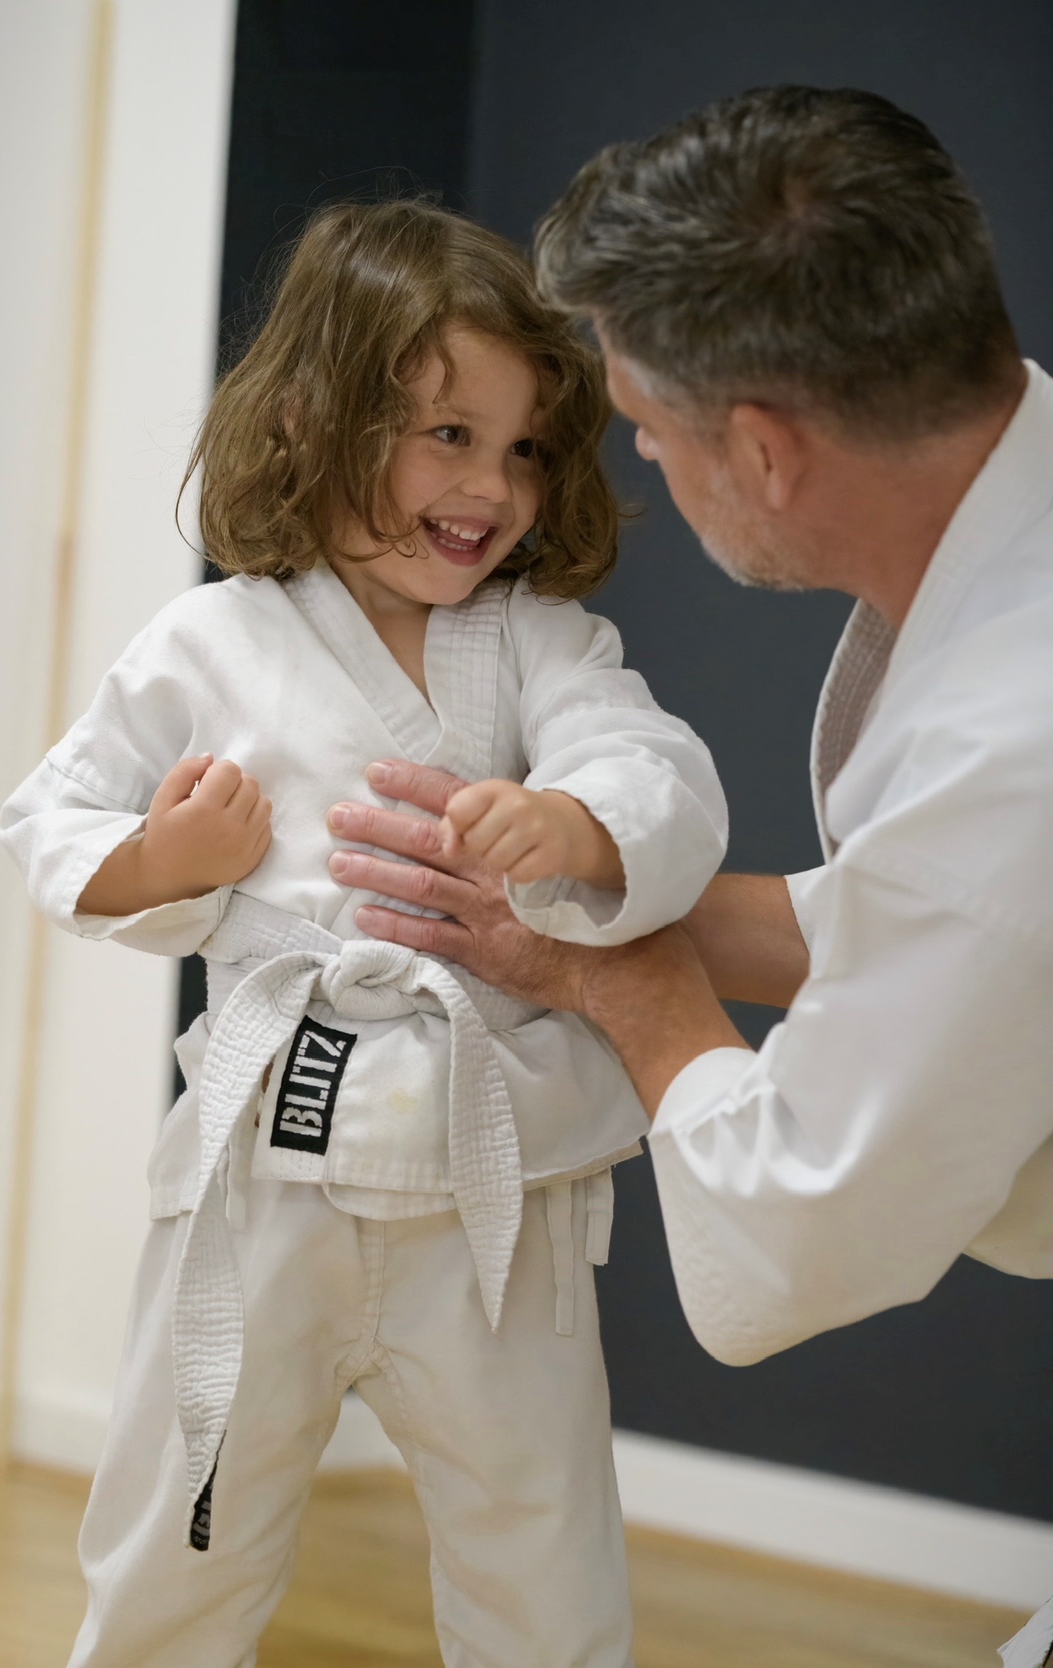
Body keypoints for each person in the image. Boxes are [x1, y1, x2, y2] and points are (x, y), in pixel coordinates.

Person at [320, 91, 1053, 1666]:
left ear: (767, 449)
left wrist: (620, 972)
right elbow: (949, 938)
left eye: (643, 416)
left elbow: (793, 1237)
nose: (633, 448)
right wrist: (570, 903)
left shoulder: (1014, 742)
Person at [0, 199, 728, 1668]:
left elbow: (664, 777)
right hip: (259, 1178)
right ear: (317, 422)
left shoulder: (543, 646)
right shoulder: (212, 643)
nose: (492, 487)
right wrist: (165, 855)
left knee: (542, 1553)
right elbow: (47, 822)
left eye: (524, 445)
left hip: (492, 1190)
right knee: (178, 1526)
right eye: (445, 435)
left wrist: (581, 825)